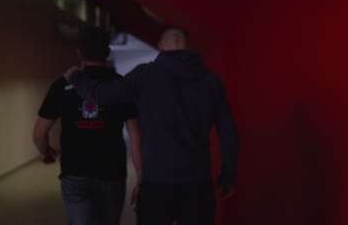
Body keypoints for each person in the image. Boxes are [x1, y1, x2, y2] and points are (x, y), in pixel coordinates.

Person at [64, 27, 239, 225]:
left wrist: (76, 77)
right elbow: (228, 134)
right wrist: (228, 176)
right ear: (187, 46)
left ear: (160, 46)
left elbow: (103, 95)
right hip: (197, 183)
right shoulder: (211, 81)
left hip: (155, 184)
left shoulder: (144, 75)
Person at [33, 26, 142, 225]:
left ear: (79, 53)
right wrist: (141, 177)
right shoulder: (121, 86)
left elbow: (39, 133)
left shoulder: (61, 86)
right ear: (107, 52)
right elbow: (136, 137)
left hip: (75, 173)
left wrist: (46, 151)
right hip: (112, 173)